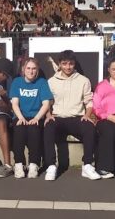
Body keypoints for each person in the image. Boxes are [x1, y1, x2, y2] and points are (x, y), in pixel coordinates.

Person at [43, 50, 100, 181]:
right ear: (59, 64)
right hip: (57, 117)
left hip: (76, 117)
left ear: (74, 64)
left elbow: (89, 100)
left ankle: (87, 165)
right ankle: (51, 166)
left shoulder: (83, 80)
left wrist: (87, 115)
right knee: (48, 127)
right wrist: (48, 114)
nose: (68, 67)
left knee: (89, 128)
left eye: (71, 64)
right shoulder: (52, 81)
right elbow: (47, 101)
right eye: (64, 64)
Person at [9, 57, 52, 179]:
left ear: (37, 70)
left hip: (35, 116)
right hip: (20, 115)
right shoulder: (17, 82)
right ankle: (19, 164)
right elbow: (15, 104)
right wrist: (21, 117)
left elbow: (46, 103)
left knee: (34, 131)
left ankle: (34, 164)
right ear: (23, 69)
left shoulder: (42, 82)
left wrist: (37, 118)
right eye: (28, 68)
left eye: (34, 68)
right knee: (19, 131)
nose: (31, 71)